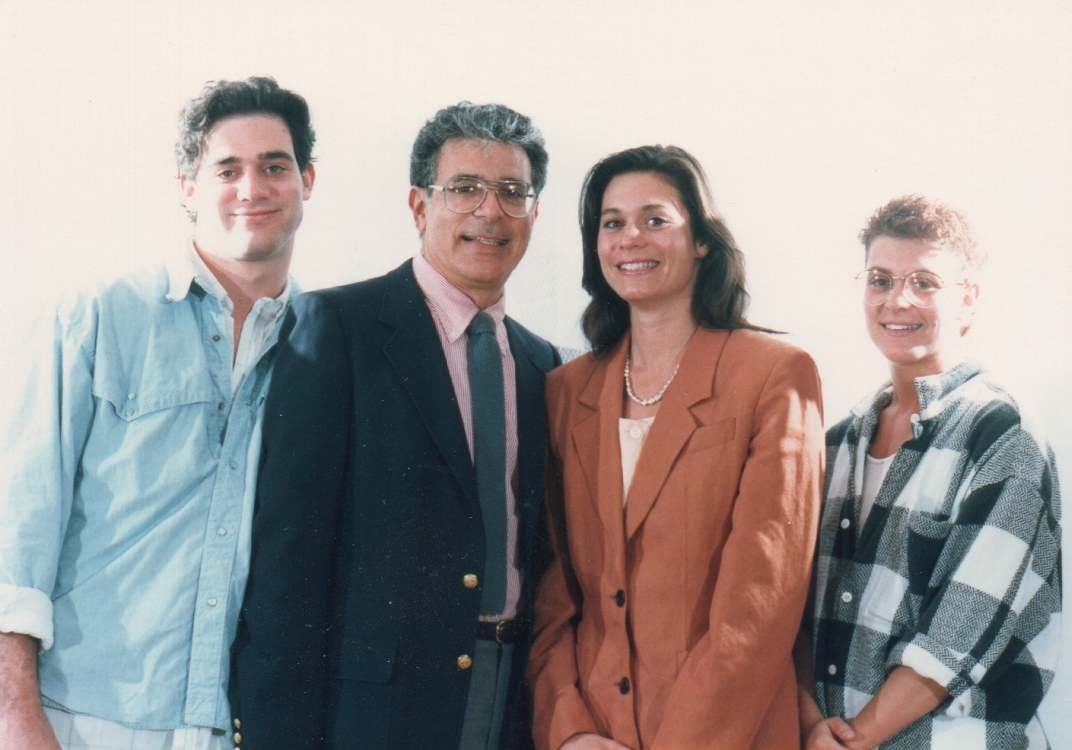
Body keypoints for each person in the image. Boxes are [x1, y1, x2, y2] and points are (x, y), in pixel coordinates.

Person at [230, 102, 560, 750]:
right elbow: (288, 568)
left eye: (511, 192)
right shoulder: (336, 327)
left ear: (533, 212)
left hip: (511, 703)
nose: (489, 211)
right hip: (374, 713)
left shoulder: (542, 364)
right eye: (464, 188)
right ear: (419, 206)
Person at [0, 77, 316, 750]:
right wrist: (15, 716)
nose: (252, 188)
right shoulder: (94, 318)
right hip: (81, 721)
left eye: (274, 166)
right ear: (187, 188)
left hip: (237, 727)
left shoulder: (326, 349)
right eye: (226, 169)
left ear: (306, 181)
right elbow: (15, 535)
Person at [527, 145, 825, 750]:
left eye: (655, 219)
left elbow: (758, 607)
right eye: (612, 223)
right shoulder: (566, 390)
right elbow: (551, 594)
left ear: (703, 241)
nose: (631, 238)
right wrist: (569, 732)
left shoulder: (774, 375)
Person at [797, 195, 1061, 749]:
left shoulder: (1002, 434)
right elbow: (789, 614)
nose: (898, 300)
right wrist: (810, 726)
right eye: (880, 280)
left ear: (967, 299)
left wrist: (852, 740)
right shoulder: (836, 445)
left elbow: (957, 633)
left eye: (924, 282)